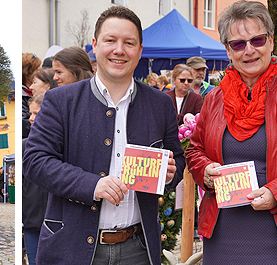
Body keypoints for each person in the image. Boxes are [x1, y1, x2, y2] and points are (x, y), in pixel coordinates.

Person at [24, 6, 184, 265]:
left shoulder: (160, 104)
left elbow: (176, 156)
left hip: (138, 249)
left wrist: (170, 173)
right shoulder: (61, 100)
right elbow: (35, 161)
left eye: (129, 43)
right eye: (110, 40)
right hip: (72, 247)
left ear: (140, 50)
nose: (119, 50)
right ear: (95, 46)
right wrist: (92, 185)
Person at [186, 1, 277, 263]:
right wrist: (206, 173)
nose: (249, 50)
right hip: (223, 234)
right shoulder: (213, 100)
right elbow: (195, 150)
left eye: (257, 39)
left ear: (270, 41)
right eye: (238, 44)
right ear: (228, 50)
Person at [23, 93, 50, 265]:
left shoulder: (61, 144)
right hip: (31, 220)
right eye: (30, 114)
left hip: (53, 220)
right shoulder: (25, 144)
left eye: (36, 114)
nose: (31, 119)